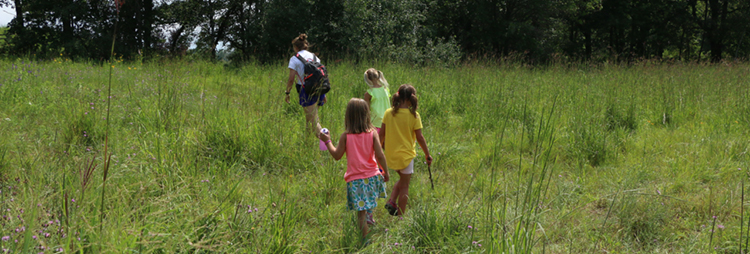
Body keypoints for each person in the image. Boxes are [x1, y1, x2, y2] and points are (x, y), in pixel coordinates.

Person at [319, 98, 390, 241]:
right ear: (366, 115)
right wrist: (386, 172)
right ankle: (369, 218)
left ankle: (366, 241)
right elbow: (380, 155)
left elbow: (337, 155)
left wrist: (327, 141)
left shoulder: (346, 136)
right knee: (368, 202)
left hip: (356, 181)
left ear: (348, 116)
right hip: (372, 177)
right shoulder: (372, 133)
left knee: (360, 214)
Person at [380, 84, 432, 216]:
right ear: (411, 99)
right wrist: (427, 154)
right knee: (405, 186)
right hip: (406, 156)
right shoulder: (414, 116)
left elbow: (381, 135)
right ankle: (401, 216)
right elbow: (420, 137)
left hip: (391, 155)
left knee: (403, 179)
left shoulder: (388, 113)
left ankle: (392, 201)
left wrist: (378, 151)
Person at [284, 33, 325, 135]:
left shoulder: (294, 59)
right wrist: (324, 93)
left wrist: (287, 92)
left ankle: (327, 145)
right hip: (319, 89)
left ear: (296, 47)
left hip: (305, 90)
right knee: (309, 118)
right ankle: (308, 141)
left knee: (314, 120)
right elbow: (321, 74)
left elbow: (291, 79)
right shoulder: (315, 57)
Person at [362, 68, 391, 137]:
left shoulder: (369, 93)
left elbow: (367, 110)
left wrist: (366, 122)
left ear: (368, 79)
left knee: (375, 144)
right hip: (388, 119)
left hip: (375, 121)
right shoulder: (385, 89)